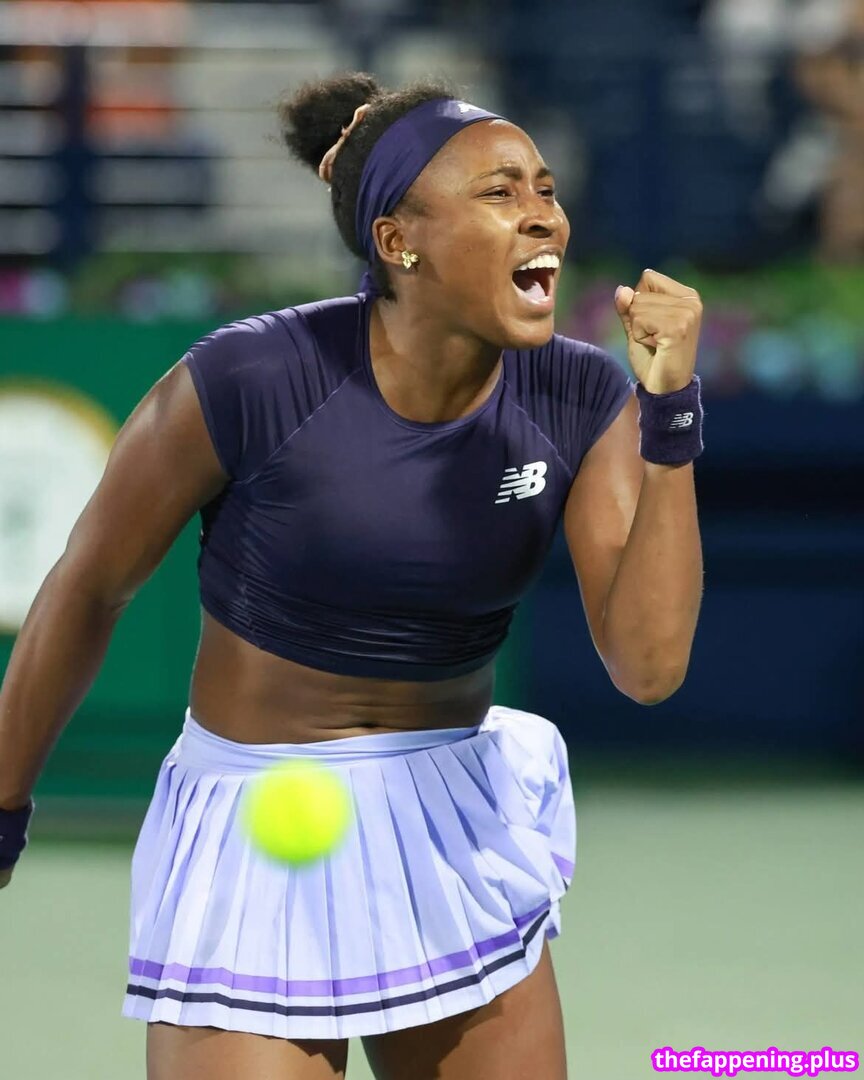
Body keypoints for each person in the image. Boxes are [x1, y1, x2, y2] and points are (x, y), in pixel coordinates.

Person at [0, 73, 705, 1080]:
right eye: (500, 192)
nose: (542, 214)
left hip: (455, 826)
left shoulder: (581, 394)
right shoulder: (248, 379)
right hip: (254, 830)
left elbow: (649, 667)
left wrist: (670, 415)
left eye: (545, 190)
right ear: (398, 242)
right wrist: (4, 803)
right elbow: (88, 585)